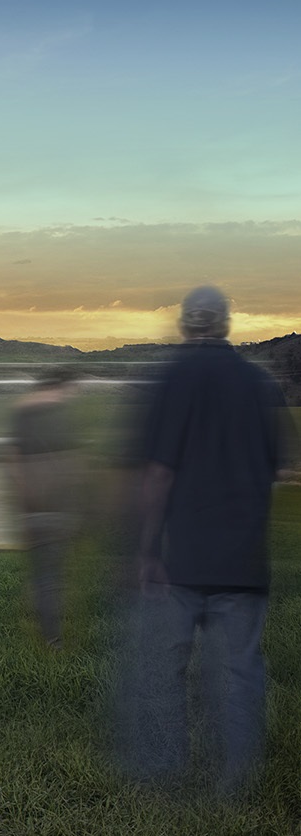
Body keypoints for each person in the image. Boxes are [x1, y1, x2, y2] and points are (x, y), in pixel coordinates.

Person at [126, 285, 289, 795]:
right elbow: (279, 468)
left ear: (183, 325)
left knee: (163, 669)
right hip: (243, 558)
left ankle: (164, 774)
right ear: (225, 325)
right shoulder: (261, 384)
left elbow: (157, 473)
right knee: (239, 672)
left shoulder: (170, 378)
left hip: (181, 557)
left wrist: (147, 549)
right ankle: (235, 785)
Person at [10, 367, 82, 649]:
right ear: (60, 387)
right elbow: (73, 464)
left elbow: (14, 463)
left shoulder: (21, 415)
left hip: (32, 506)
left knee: (44, 571)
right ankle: (52, 638)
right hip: (59, 506)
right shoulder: (62, 415)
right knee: (52, 574)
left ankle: (42, 611)